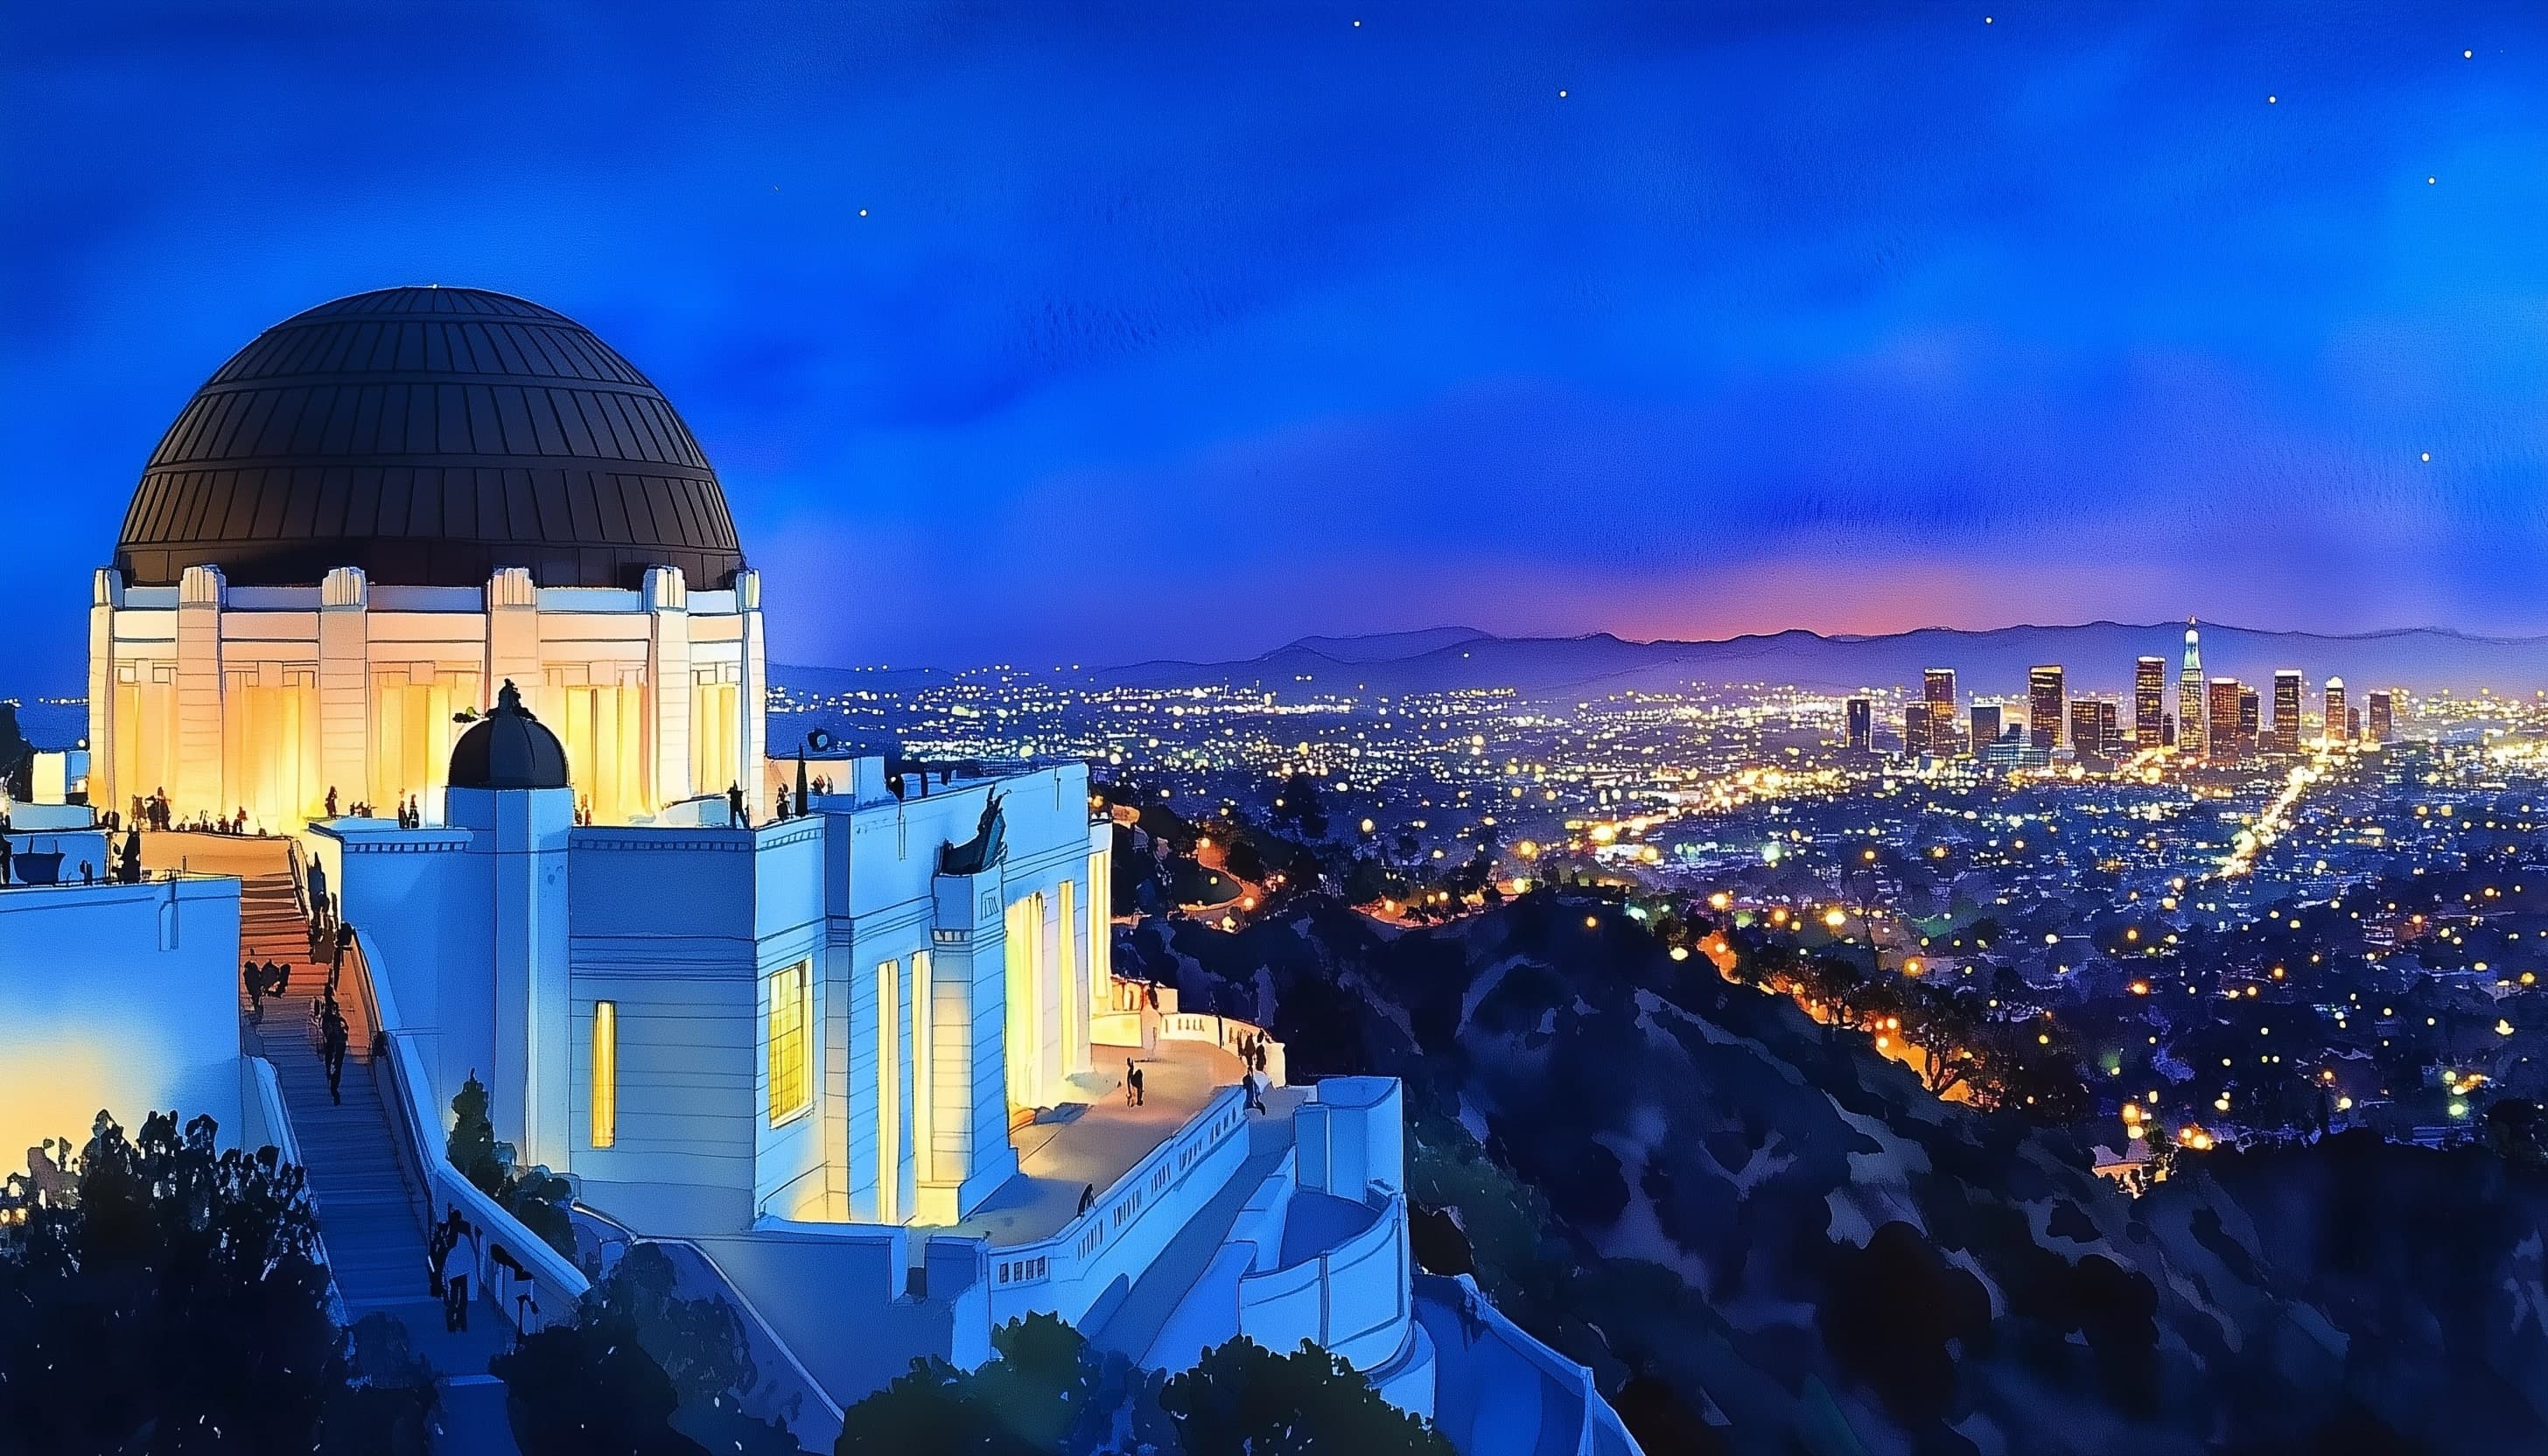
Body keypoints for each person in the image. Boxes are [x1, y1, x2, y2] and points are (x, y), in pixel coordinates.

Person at [439, 1208, 474, 1332]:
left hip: (454, 1270)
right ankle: (461, 1321)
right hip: (461, 1270)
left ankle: (456, 1321)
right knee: (462, 1298)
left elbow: (445, 1250)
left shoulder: (449, 1232)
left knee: (455, 1296)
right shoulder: (464, 1229)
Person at [321, 1003, 350, 1105]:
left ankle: (333, 1087)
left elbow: (345, 1030)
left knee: (336, 1066)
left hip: (337, 1044)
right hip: (334, 1043)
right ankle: (331, 1082)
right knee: (332, 1064)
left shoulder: (338, 1021)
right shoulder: (330, 1020)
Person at [243, 957, 264, 1023]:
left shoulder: (251, 973)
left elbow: (250, 982)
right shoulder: (253, 972)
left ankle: (258, 1014)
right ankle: (258, 1013)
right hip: (254, 989)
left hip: (255, 989)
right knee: (256, 1001)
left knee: (256, 1001)